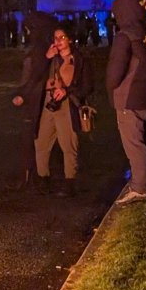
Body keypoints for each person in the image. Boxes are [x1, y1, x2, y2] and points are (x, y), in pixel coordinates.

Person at [108, 0, 146, 205]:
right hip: (144, 96)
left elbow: (115, 72)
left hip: (128, 97)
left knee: (133, 144)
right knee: (144, 140)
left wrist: (110, 88)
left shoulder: (124, 37)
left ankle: (139, 187)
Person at [33, 24, 93, 197]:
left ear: (70, 39)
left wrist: (67, 91)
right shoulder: (50, 57)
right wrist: (46, 58)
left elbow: (87, 86)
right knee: (42, 141)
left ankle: (69, 182)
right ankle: (43, 178)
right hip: (48, 103)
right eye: (56, 38)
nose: (58, 41)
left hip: (67, 104)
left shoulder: (79, 59)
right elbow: (35, 76)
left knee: (68, 143)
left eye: (62, 37)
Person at [8, 11, 56, 192]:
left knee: (30, 137)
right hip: (38, 96)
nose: (26, 32)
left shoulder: (38, 49)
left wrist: (23, 94)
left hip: (34, 99)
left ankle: (29, 176)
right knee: (35, 137)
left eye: (28, 29)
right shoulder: (44, 46)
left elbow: (35, 75)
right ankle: (34, 174)